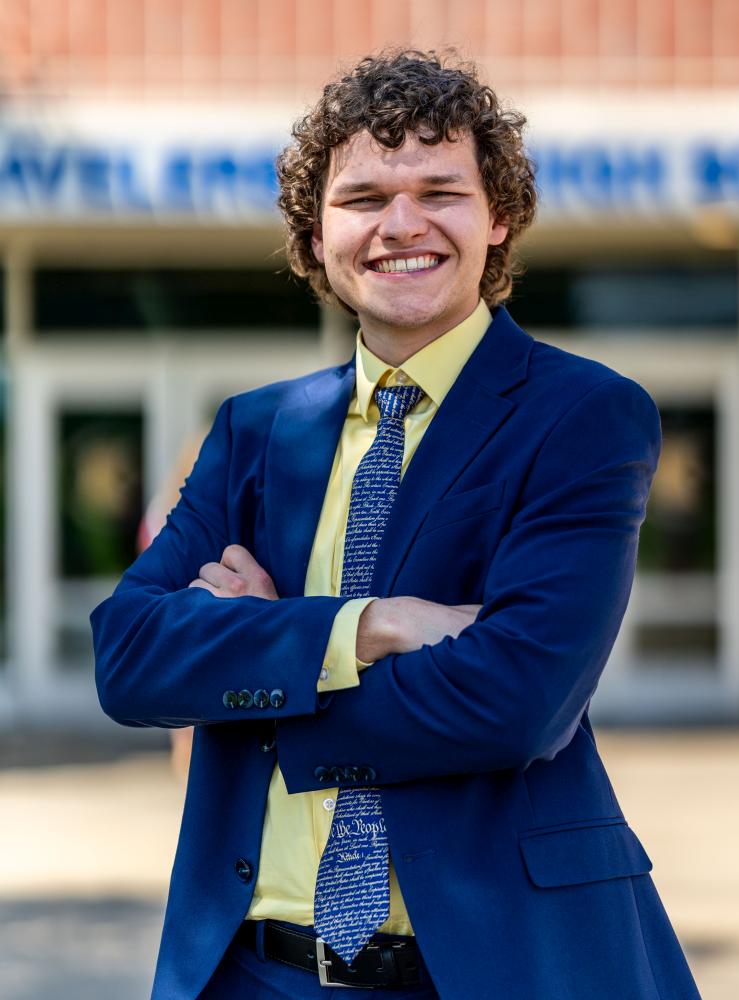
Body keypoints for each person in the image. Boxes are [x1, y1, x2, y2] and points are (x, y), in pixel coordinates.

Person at [91, 50, 702, 1000]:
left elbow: (517, 702)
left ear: (498, 218)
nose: (402, 224)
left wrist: (268, 655)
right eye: (365, 197)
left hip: (494, 969)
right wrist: (367, 628)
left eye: (440, 192)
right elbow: (128, 658)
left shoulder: (582, 418)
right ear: (318, 231)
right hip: (251, 972)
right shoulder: (256, 431)